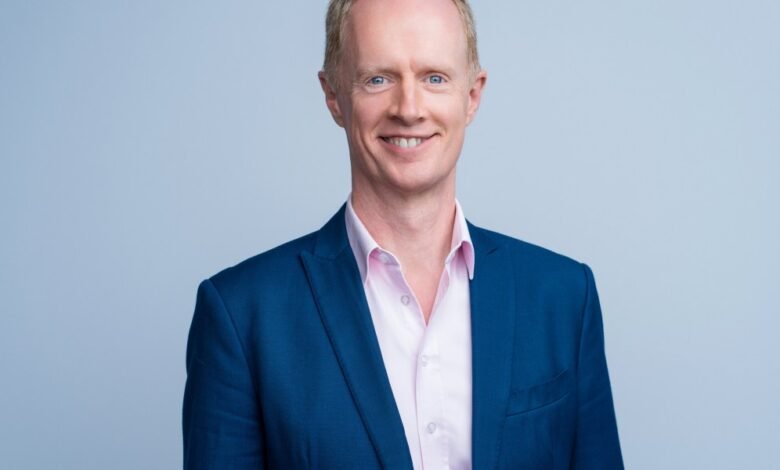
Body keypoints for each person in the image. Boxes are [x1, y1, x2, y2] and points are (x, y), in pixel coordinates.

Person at [182, 0, 624, 468]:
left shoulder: (563, 298)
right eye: (378, 79)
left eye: (434, 78)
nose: (409, 109)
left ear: (472, 96)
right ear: (333, 96)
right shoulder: (242, 315)